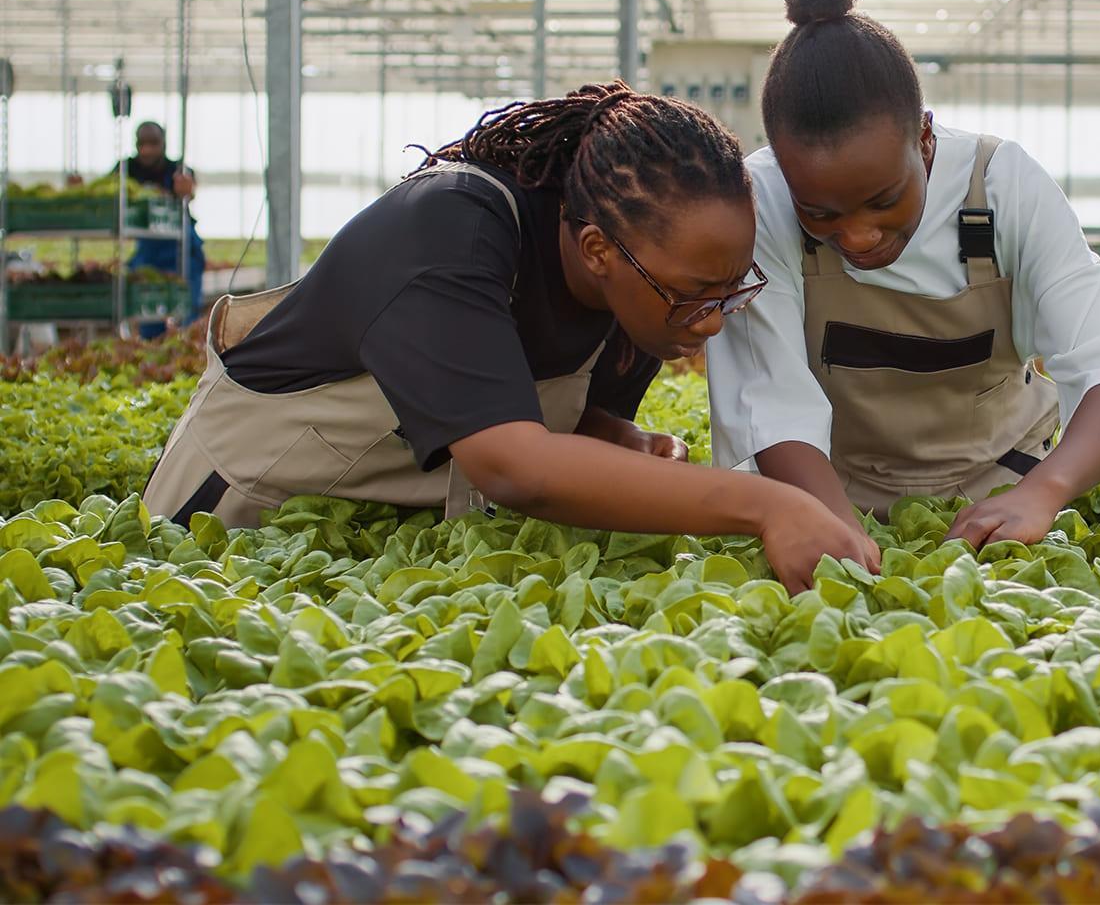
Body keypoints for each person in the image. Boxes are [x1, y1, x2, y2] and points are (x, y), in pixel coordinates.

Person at [143, 81, 879, 593]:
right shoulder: (449, 230)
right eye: (693, 297)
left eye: (730, 293)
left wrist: (616, 440)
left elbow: (546, 412)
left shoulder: (636, 296)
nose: (712, 322)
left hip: (369, 553)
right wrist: (767, 505)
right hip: (229, 535)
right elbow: (512, 464)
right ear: (597, 251)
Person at [706, 0, 1100, 549]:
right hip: (832, 495)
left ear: (924, 139)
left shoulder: (1001, 186)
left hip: (1004, 491)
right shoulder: (764, 198)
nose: (859, 236)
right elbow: (771, 404)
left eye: (883, 201)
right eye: (819, 214)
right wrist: (841, 534)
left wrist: (1046, 491)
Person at [70, 121, 206, 334]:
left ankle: (184, 349)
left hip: (182, 250)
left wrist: (188, 190)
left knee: (185, 312)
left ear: (164, 144)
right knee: (148, 310)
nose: (147, 149)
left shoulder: (177, 169)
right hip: (149, 252)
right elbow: (102, 191)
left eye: (153, 143)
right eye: (142, 143)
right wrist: (82, 189)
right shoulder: (126, 168)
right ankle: (155, 350)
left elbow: (191, 190)